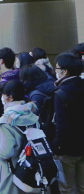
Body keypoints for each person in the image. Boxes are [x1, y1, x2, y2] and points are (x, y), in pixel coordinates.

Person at [0, 80, 37, 194]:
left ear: (10, 97)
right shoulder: (31, 113)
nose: (2, 97)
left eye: (4, 94)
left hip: (8, 171)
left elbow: (5, 152)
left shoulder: (5, 121)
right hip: (29, 167)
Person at [53, 52, 84, 194]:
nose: (55, 71)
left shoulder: (61, 93)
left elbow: (61, 125)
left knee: (67, 188)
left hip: (68, 148)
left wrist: (57, 148)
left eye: (57, 68)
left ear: (64, 72)